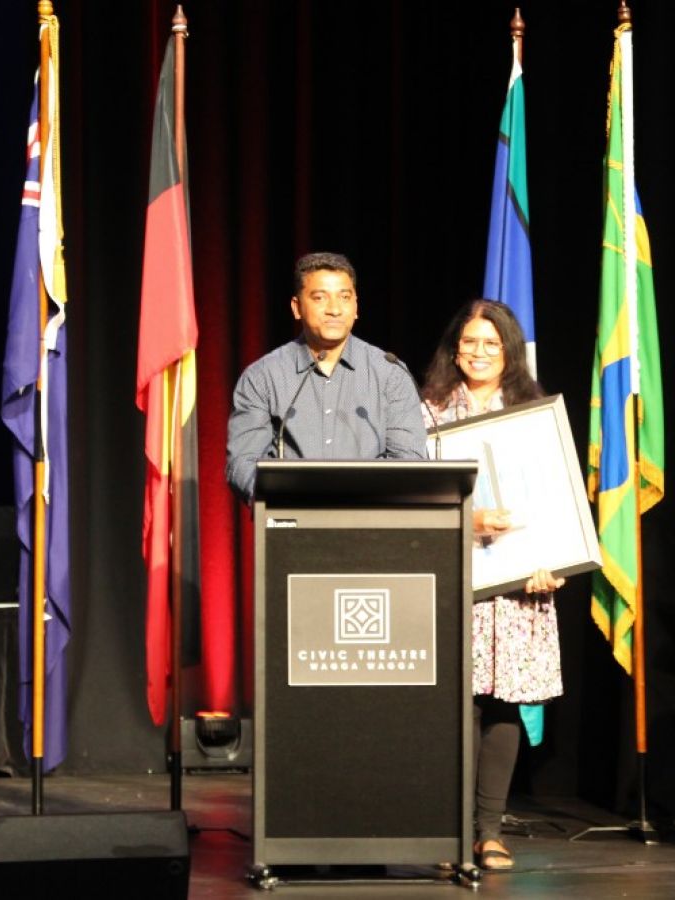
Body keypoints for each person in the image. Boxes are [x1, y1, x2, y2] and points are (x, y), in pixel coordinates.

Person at [420, 299, 564, 871]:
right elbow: (419, 490)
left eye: (491, 344)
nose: (479, 353)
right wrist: (471, 520)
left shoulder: (536, 411)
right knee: (454, 705)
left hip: (520, 581)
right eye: (469, 342)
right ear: (455, 348)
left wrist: (554, 561)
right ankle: (448, 834)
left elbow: (556, 499)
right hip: (453, 573)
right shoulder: (426, 411)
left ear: (508, 353)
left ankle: (488, 831)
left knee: (504, 703)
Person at [226, 251, 427, 500]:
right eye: (320, 298)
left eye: (344, 297)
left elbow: (409, 460)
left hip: (371, 526)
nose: (334, 309)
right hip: (290, 527)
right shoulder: (263, 377)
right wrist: (288, 500)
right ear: (297, 308)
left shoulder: (390, 374)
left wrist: (354, 502)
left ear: (356, 307)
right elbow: (243, 463)